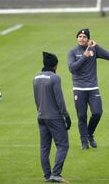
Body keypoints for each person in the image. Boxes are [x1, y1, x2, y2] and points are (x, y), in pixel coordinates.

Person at [68, 29, 109, 149]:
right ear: (77, 38)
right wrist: (84, 57)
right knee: (82, 116)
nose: (81, 38)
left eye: (84, 37)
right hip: (79, 88)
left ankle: (89, 134)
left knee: (97, 112)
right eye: (80, 36)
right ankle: (84, 142)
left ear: (88, 39)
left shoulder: (93, 50)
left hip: (93, 88)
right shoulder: (72, 52)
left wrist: (97, 46)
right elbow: (72, 68)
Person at [33, 52, 71, 183]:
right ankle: (56, 174)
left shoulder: (36, 77)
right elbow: (59, 100)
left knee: (44, 147)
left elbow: (36, 98)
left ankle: (47, 175)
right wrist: (66, 115)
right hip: (54, 117)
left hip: (41, 116)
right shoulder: (55, 78)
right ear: (55, 65)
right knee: (63, 145)